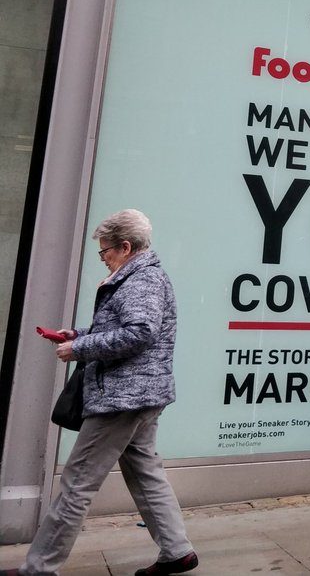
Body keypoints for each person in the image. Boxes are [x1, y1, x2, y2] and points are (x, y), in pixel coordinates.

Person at [3, 210, 197, 576]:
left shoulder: (141, 280)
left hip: (122, 398)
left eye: (105, 250)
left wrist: (81, 349)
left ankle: (39, 568)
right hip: (139, 395)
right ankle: (177, 552)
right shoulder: (140, 277)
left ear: (125, 247)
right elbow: (125, 327)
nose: (103, 258)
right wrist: (77, 335)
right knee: (145, 473)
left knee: (77, 483)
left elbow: (140, 332)